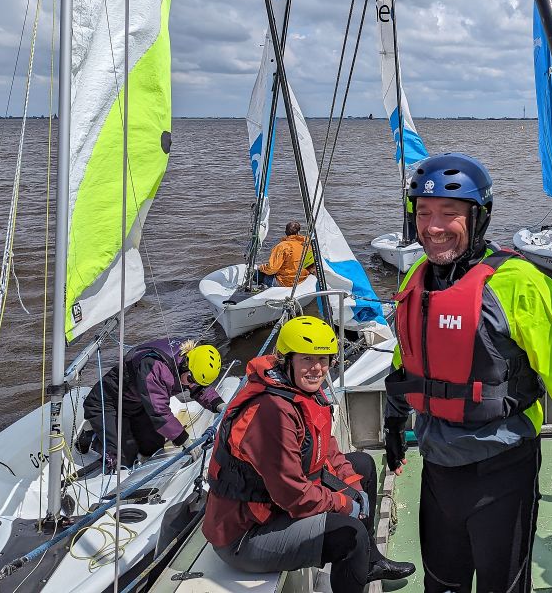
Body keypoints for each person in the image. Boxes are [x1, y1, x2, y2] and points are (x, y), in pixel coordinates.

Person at [382, 152, 552, 593]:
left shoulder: (519, 284)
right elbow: (407, 355)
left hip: (501, 471)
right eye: (423, 213)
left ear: (478, 216)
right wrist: (394, 420)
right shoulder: (416, 276)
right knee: (441, 584)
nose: (433, 226)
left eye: (449, 214)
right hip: (437, 466)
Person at [202, 316, 415, 591]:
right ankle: (358, 560)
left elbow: (328, 449)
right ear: (286, 360)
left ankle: (369, 562)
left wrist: (352, 486)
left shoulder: (299, 391)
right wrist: (345, 504)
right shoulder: (271, 411)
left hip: (277, 509)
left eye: (323, 359)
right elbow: (292, 494)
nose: (317, 368)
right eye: (307, 359)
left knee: (363, 465)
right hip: (247, 533)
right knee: (351, 535)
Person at [79, 339, 225, 471]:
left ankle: (123, 432)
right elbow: (159, 412)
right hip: (108, 404)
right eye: (191, 379)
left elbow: (199, 388)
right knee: (123, 459)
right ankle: (91, 437)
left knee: (153, 446)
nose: (192, 385)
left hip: (138, 404)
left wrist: (218, 405)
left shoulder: (191, 361)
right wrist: (184, 439)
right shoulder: (155, 366)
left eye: (196, 382)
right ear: (186, 363)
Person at [254, 221, 316, 288]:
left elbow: (272, 269)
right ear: (298, 232)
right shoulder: (307, 244)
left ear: (285, 232)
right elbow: (311, 266)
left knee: (256, 275)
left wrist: (261, 268)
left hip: (285, 282)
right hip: (302, 279)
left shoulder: (282, 246)